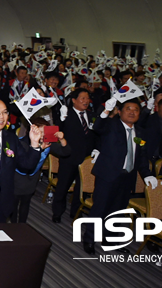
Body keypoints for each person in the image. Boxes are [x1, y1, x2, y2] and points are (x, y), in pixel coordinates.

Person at [82, 99, 157, 255]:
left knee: (118, 210)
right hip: (107, 176)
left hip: (127, 177)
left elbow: (141, 157)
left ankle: (110, 239)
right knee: (99, 208)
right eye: (128, 109)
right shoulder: (111, 126)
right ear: (120, 111)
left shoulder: (140, 132)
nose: (132, 112)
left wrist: (147, 175)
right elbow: (97, 127)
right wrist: (105, 112)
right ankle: (89, 239)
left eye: (136, 109)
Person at [51, 88, 99, 223]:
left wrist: (96, 149)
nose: (86, 101)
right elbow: (57, 132)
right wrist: (61, 119)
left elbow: (96, 135)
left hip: (86, 159)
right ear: (74, 100)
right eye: (82, 98)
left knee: (81, 187)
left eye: (87, 99)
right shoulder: (66, 115)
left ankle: (75, 212)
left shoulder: (91, 115)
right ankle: (57, 212)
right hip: (69, 157)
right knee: (63, 186)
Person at [13, 118, 71, 223]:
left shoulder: (47, 143)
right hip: (18, 178)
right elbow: (27, 165)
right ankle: (11, 227)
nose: (43, 136)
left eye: (45, 132)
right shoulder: (22, 143)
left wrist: (62, 139)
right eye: (40, 132)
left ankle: (21, 228)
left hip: (32, 178)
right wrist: (40, 149)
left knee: (25, 204)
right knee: (13, 205)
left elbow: (66, 152)